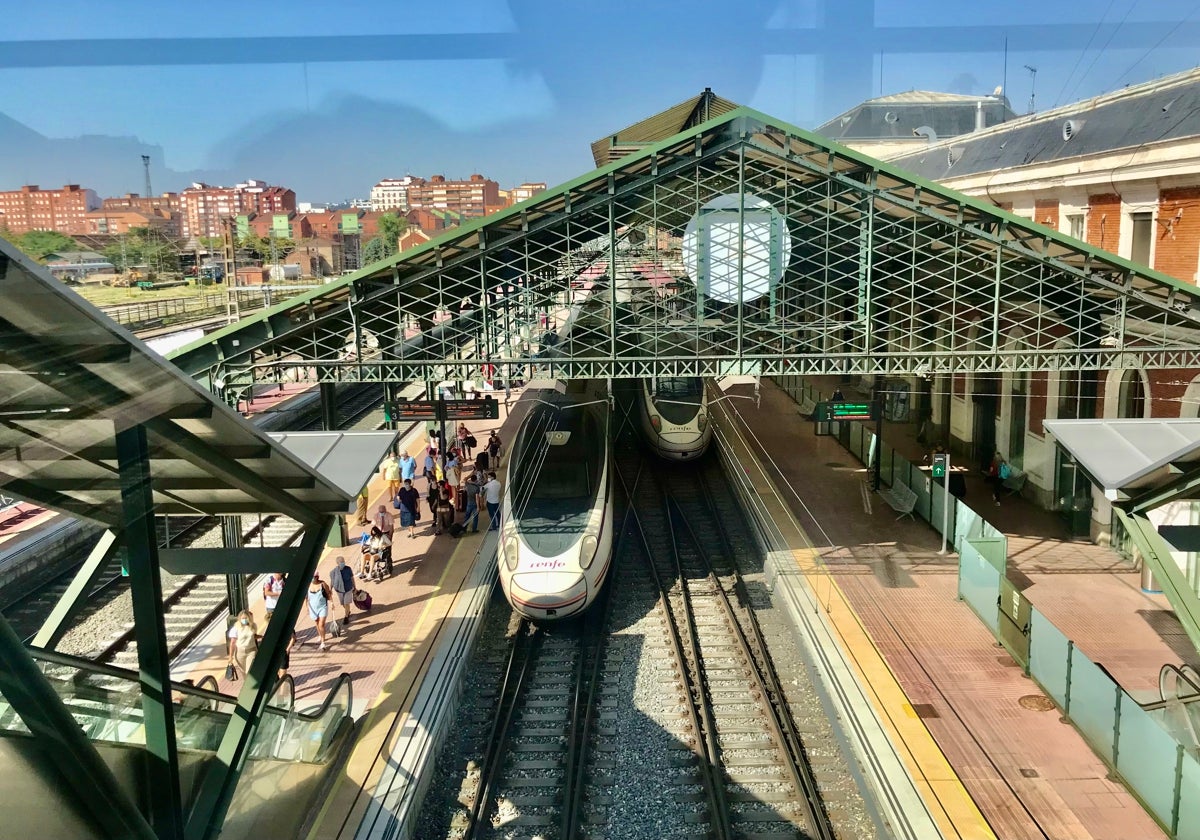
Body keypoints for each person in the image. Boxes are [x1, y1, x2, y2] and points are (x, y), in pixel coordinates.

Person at [228, 610, 259, 680]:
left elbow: (253, 636)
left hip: (251, 651)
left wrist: (261, 636)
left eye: (246, 618)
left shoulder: (253, 626)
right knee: (244, 673)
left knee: (250, 672)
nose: (244, 620)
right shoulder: (236, 628)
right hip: (240, 652)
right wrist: (230, 656)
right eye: (242, 618)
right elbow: (232, 642)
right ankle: (248, 688)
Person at [307, 573, 333, 651]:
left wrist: (332, 603)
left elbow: (329, 593)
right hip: (313, 608)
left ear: (317, 577)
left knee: (321, 624)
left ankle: (323, 642)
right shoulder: (308, 585)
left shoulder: (323, 584)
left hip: (322, 607)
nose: (313, 578)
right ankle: (320, 635)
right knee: (317, 622)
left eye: (315, 577)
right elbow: (306, 597)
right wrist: (306, 607)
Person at [329, 555, 356, 627]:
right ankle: (348, 611)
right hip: (339, 590)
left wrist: (354, 587)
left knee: (346, 603)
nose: (343, 563)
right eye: (341, 562)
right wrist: (330, 589)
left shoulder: (348, 569)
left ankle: (346, 616)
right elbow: (332, 581)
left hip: (348, 589)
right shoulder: (333, 572)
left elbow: (352, 578)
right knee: (343, 603)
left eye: (343, 561)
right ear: (337, 563)